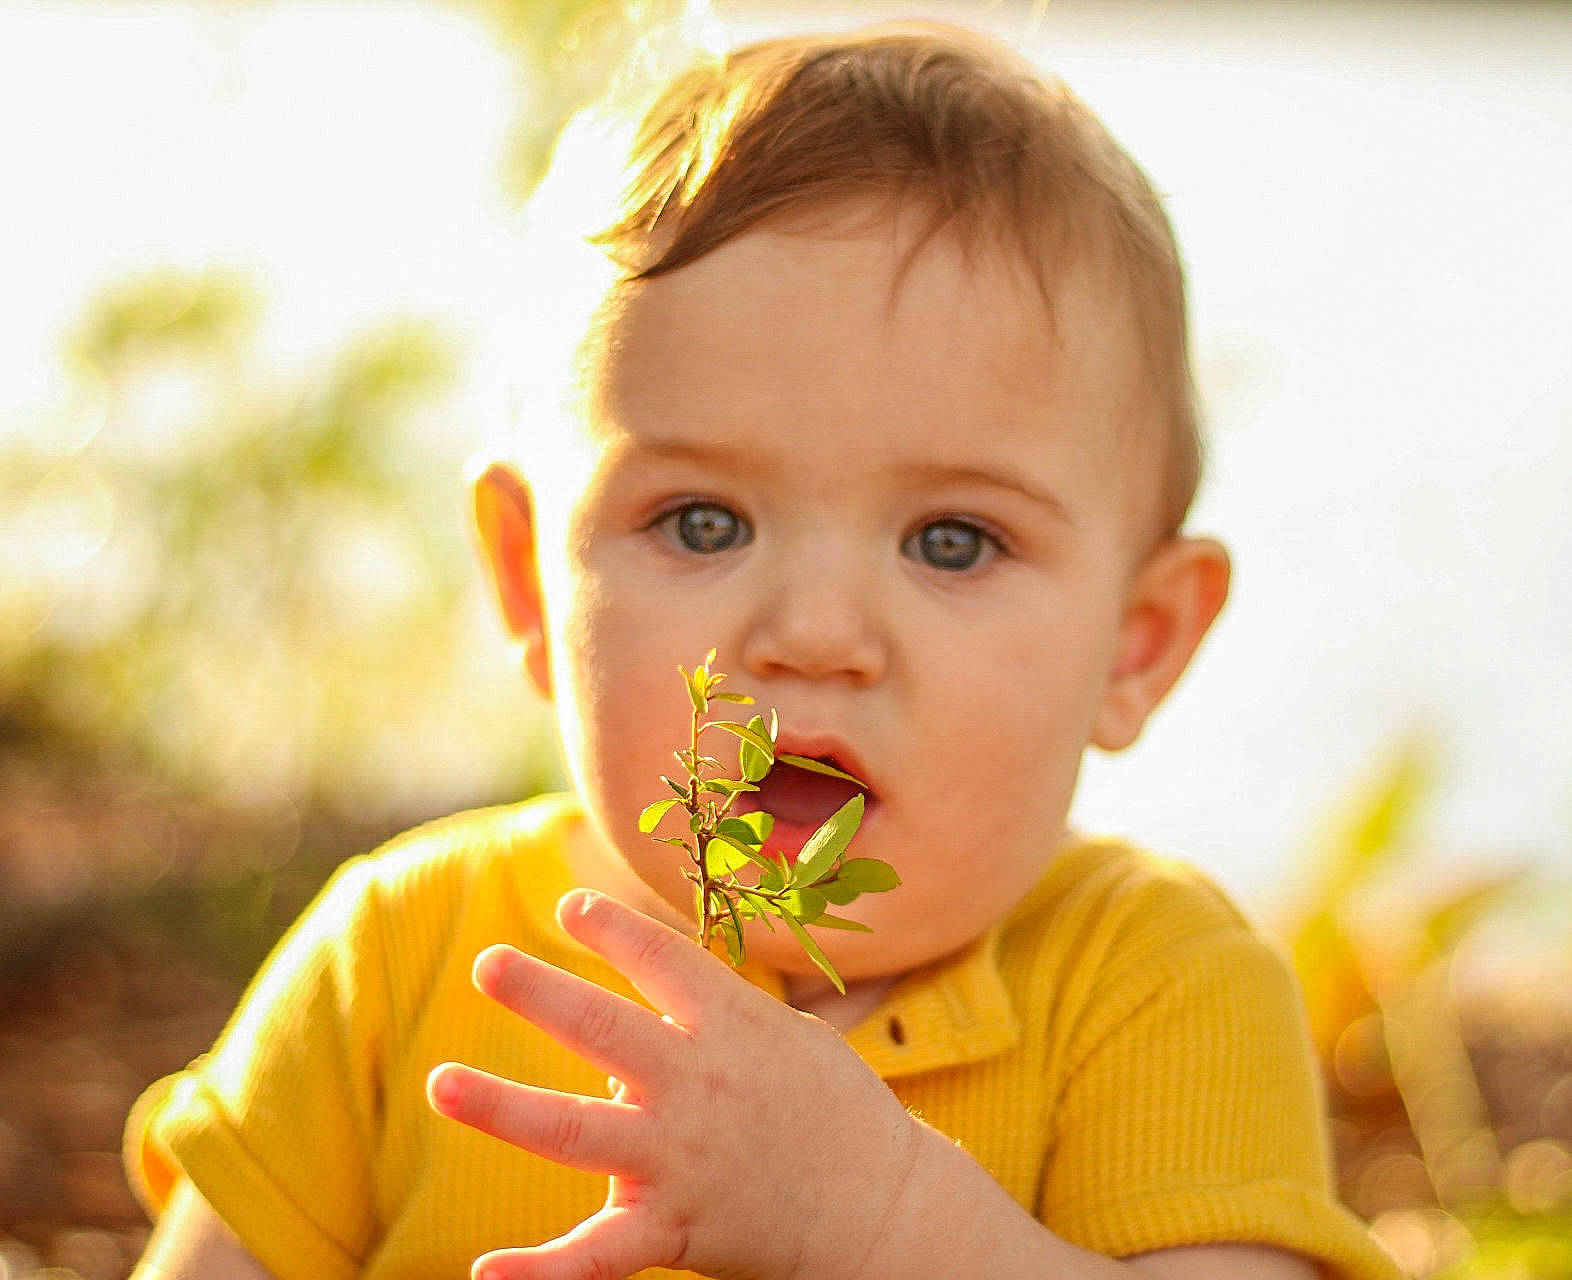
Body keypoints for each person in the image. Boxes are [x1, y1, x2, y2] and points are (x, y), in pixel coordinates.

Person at [125, 21, 1402, 1280]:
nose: (815, 635)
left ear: (1137, 641)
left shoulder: (1154, 981)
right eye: (702, 521)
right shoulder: (399, 955)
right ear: (528, 578)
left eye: (953, 542)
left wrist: (882, 1218)